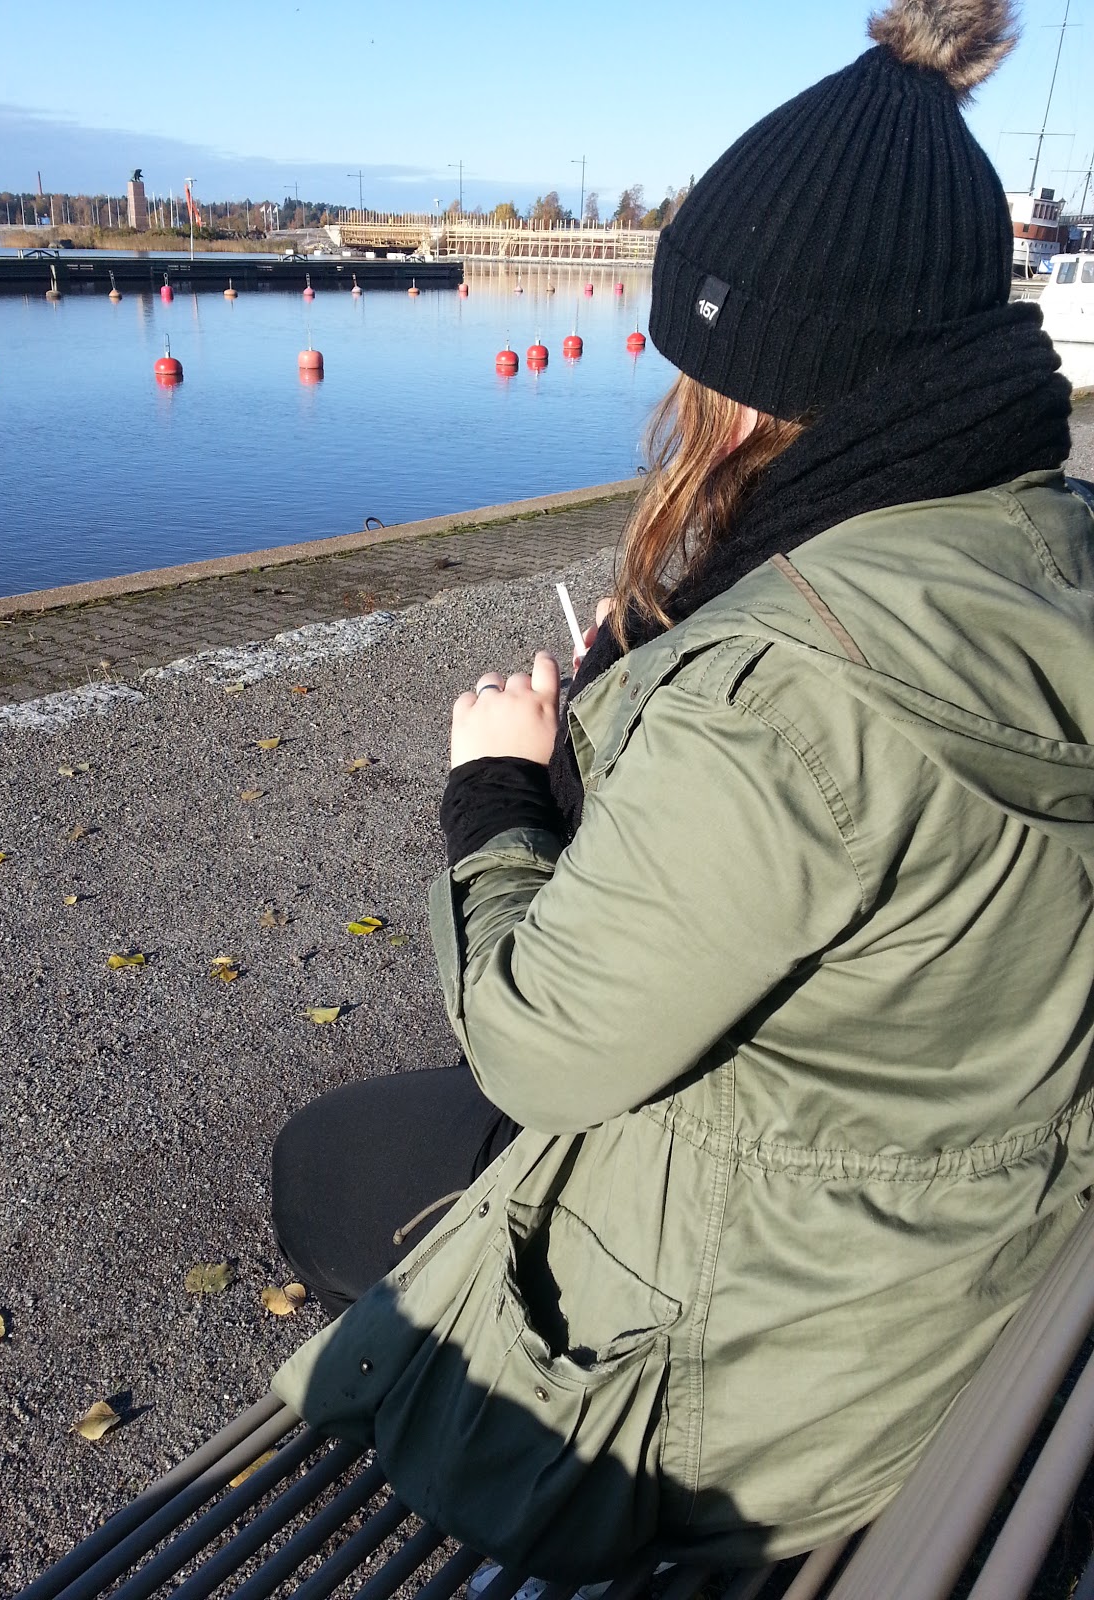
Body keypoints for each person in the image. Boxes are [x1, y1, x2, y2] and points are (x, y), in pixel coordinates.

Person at [269, 0, 1094, 1578]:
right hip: (966, 1244)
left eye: (706, 370)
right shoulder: (1048, 544)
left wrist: (496, 791)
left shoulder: (785, 698)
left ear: (775, 382)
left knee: (326, 1168)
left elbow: (538, 1045)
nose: (685, 409)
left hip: (780, 1361)